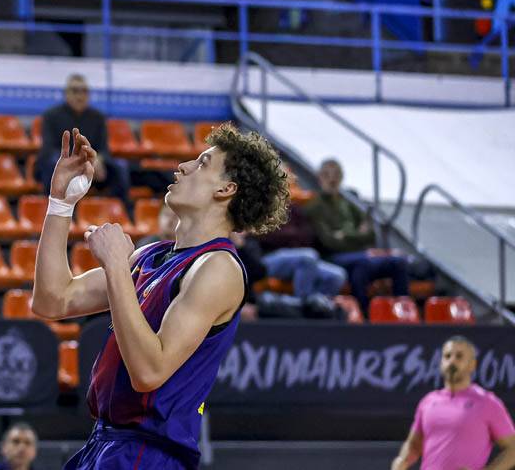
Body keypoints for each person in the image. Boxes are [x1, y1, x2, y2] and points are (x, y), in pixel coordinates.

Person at [32, 124, 289, 469]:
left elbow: (150, 371)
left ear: (226, 189)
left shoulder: (218, 267)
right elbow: (52, 300)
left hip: (149, 453)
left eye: (202, 163)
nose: (183, 166)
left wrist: (116, 267)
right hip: (104, 442)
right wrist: (61, 203)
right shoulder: (151, 255)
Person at [391, 336, 515, 470]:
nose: (452, 361)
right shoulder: (428, 401)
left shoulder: (488, 402)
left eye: (459, 356)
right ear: (441, 363)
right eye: (447, 356)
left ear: (473, 365)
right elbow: (414, 445)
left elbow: (513, 449)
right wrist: (402, 460)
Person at [306, 158, 410, 315]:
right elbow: (329, 242)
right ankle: (364, 314)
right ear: (319, 178)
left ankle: (402, 313)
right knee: (363, 265)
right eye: (327, 175)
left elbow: (370, 235)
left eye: (336, 175)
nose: (332, 179)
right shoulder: (315, 206)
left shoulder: (349, 203)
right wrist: (356, 235)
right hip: (331, 257)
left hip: (359, 254)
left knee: (399, 262)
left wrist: (344, 235)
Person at [35, 75, 130, 205]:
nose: (80, 96)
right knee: (52, 165)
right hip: (64, 164)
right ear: (66, 94)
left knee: (120, 167)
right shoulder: (51, 116)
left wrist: (97, 160)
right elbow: (48, 149)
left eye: (84, 91)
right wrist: (79, 163)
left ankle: (118, 210)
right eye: (75, 91)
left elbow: (104, 149)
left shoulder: (98, 117)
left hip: (91, 166)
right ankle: (57, 208)